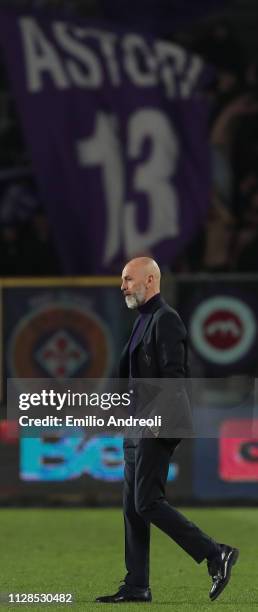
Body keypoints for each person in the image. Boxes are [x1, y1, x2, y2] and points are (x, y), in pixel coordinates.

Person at [96, 257, 239, 604]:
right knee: (133, 507)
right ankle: (136, 586)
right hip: (135, 424)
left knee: (147, 502)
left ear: (150, 281)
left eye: (129, 279)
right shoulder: (143, 319)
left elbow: (174, 378)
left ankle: (214, 552)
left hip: (156, 424)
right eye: (123, 280)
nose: (123, 286)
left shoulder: (166, 319)